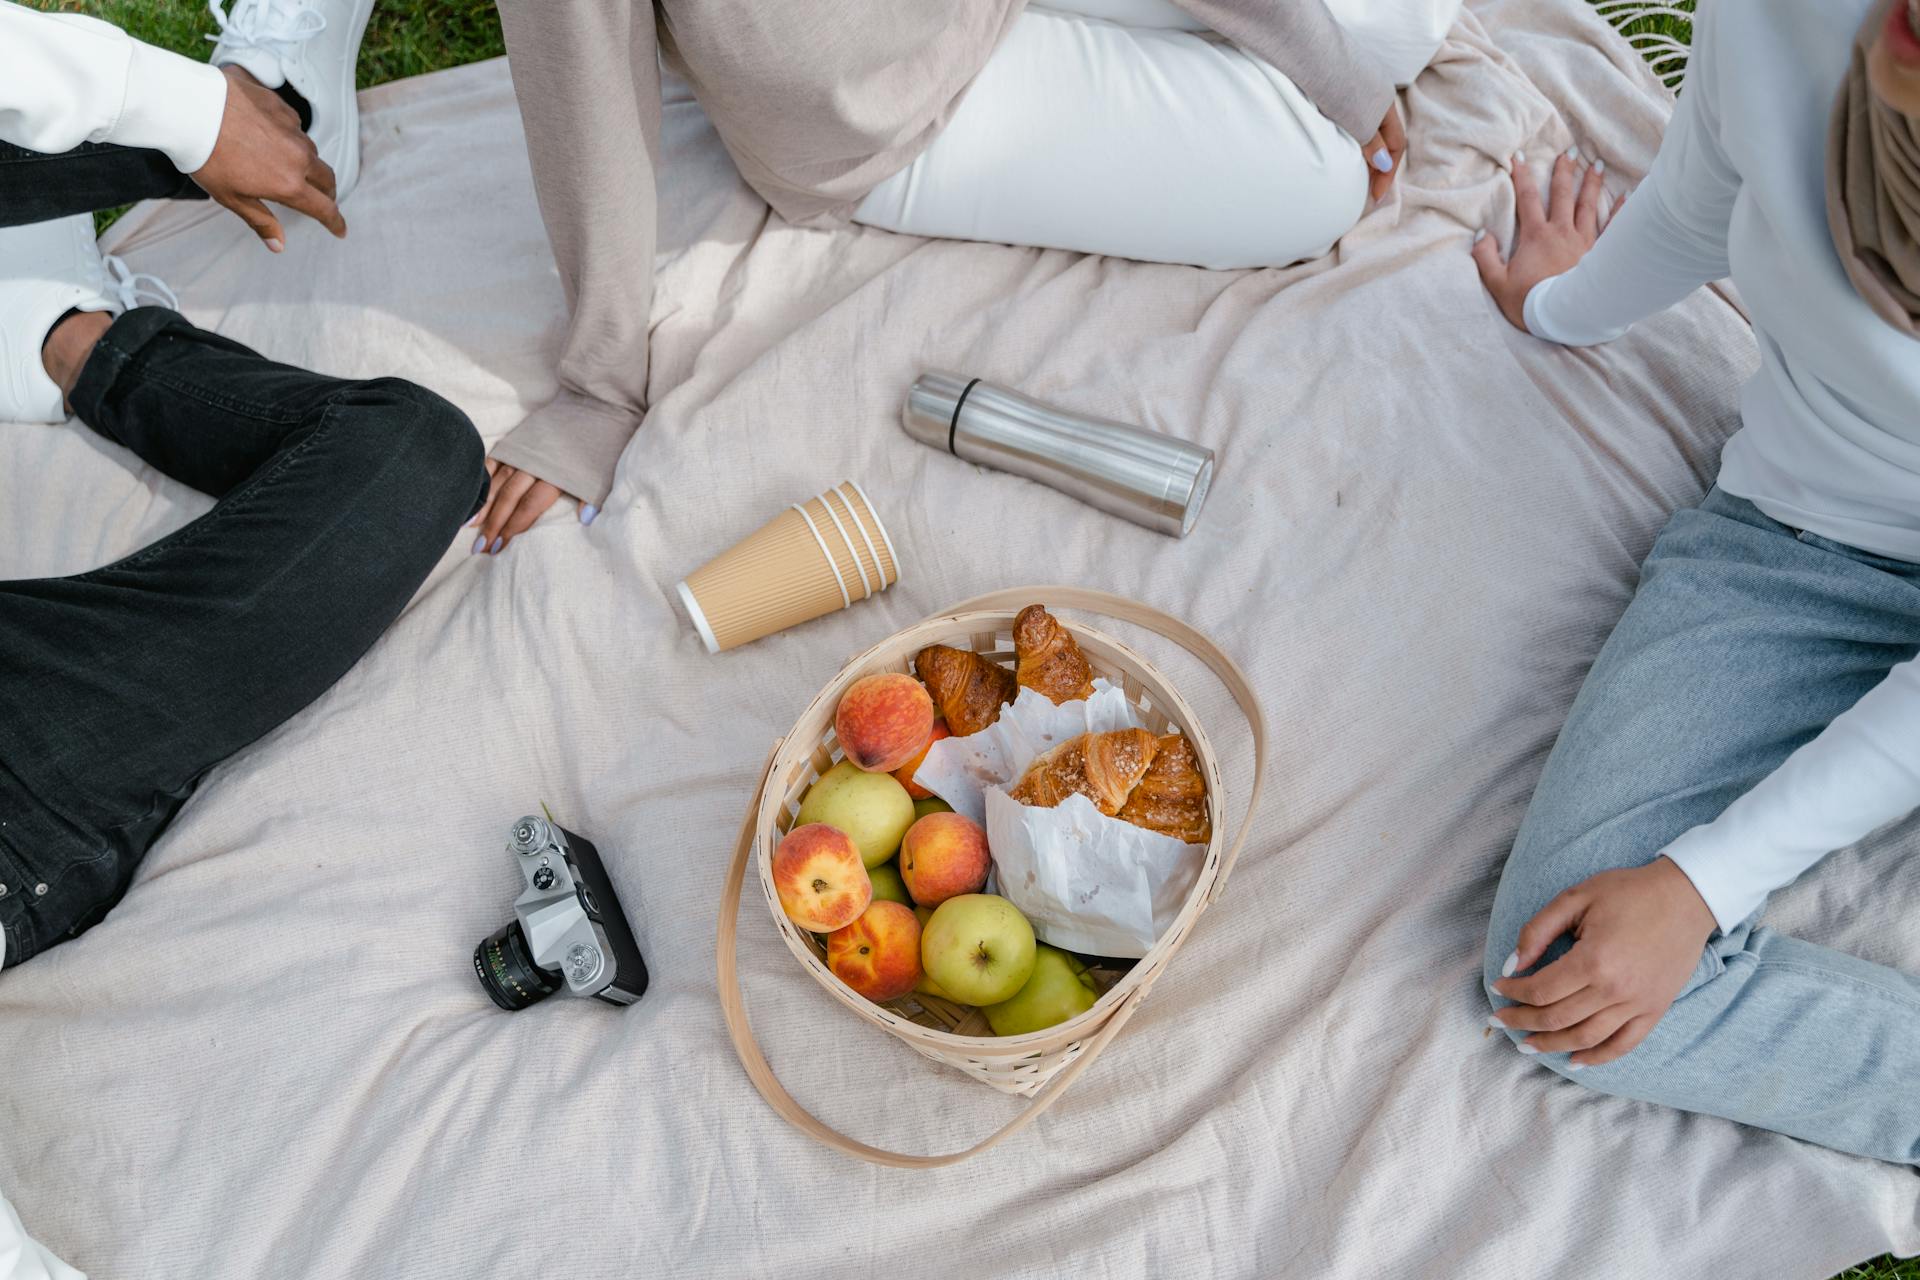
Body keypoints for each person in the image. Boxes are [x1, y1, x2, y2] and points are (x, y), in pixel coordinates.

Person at [1475, 0, 1920, 1164]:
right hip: (1801, 549)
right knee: (1556, 980)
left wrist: (1700, 884)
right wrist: (1558, 305)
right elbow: (1704, 196)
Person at [477, 0, 1412, 554]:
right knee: (1327, 176)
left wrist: (1329, 63)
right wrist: (599, 391)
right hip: (887, 115)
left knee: (1392, 34)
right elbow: (578, 70)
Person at [0, 0, 488, 974]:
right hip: (28, 781)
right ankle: (67, 336)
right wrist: (182, 111)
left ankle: (243, 125)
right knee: (411, 454)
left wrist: (186, 112)